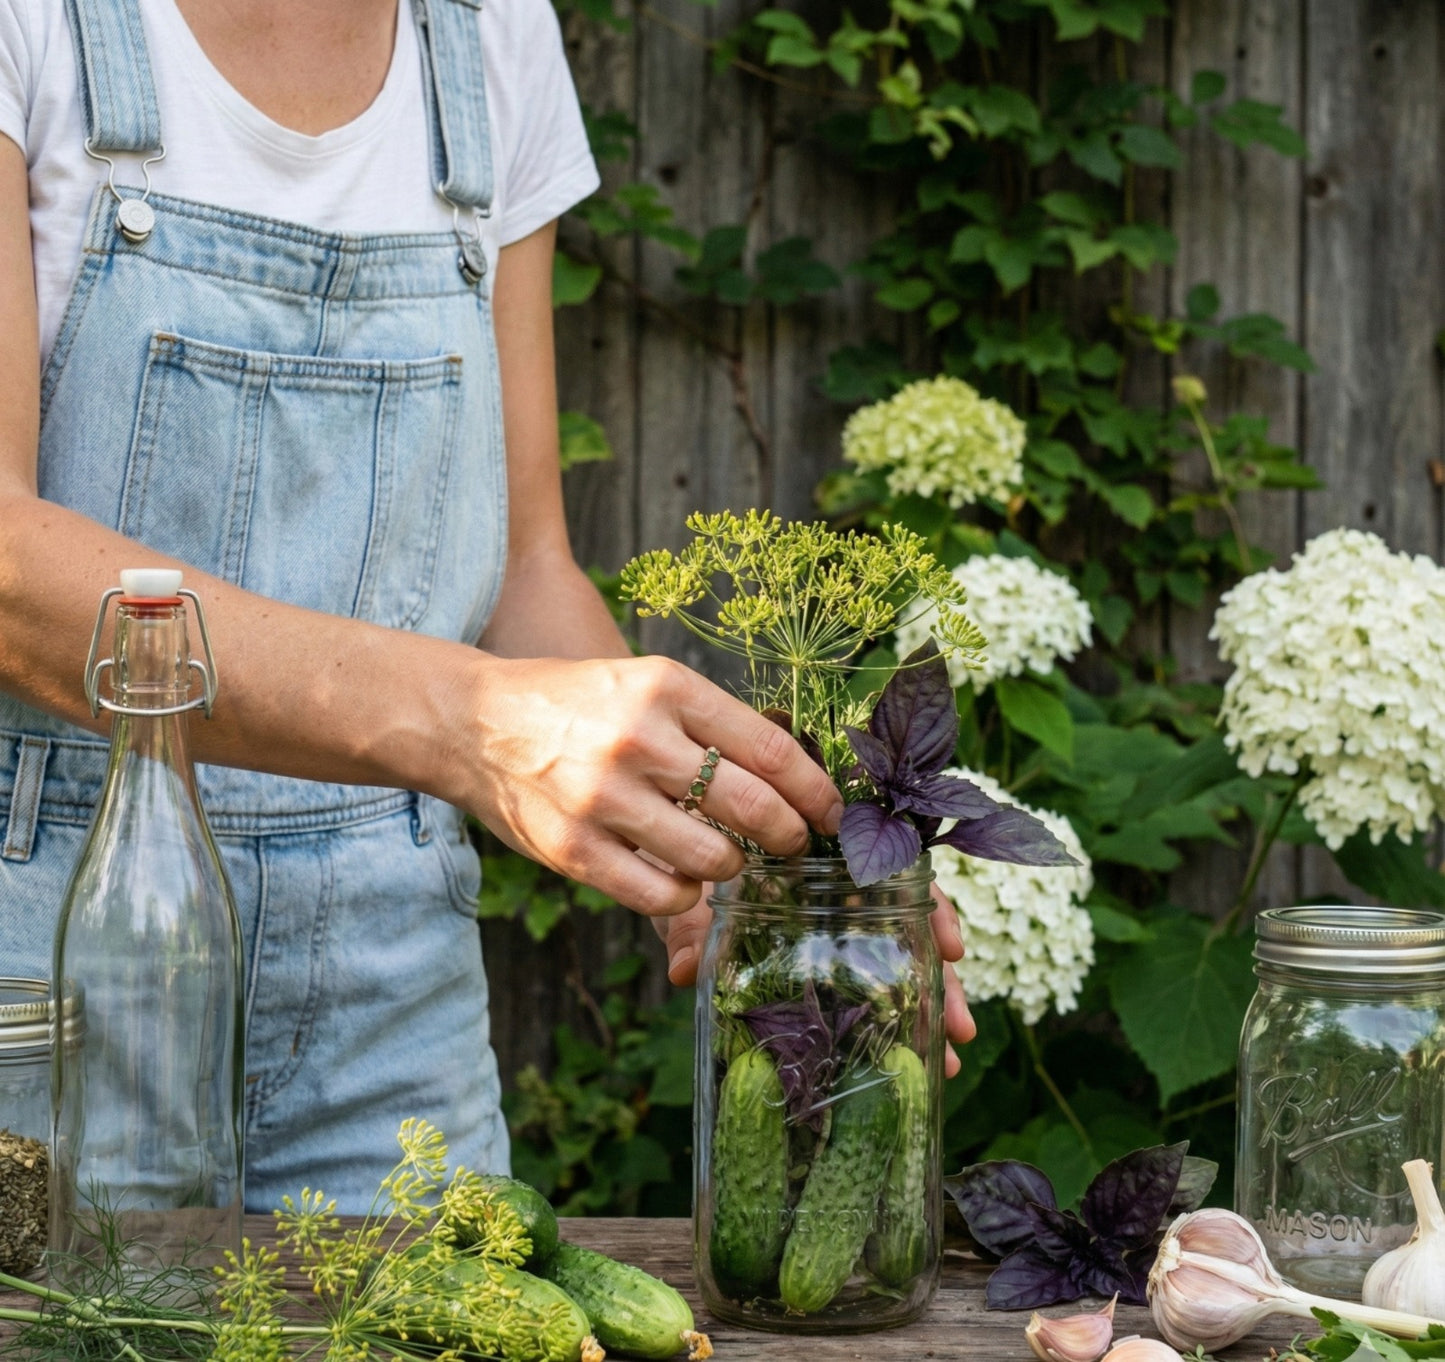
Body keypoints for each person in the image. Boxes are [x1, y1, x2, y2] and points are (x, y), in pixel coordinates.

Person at [0, 0, 974, 1213]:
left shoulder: (488, 31)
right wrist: (472, 725)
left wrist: (749, 867)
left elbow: (522, 570)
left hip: (391, 1002)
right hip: (54, 974)